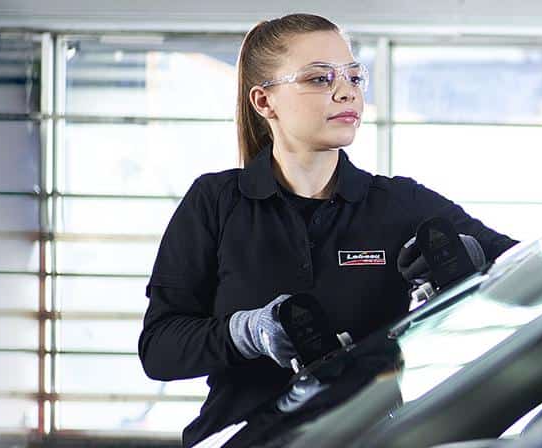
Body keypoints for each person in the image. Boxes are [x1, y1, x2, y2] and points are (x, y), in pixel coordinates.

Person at [137, 13, 519, 447]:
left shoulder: (400, 204)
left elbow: (533, 277)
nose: (346, 91)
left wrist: (470, 265)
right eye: (319, 79)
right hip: (244, 437)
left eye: (354, 76)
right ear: (264, 102)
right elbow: (159, 350)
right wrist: (250, 331)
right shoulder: (216, 202)